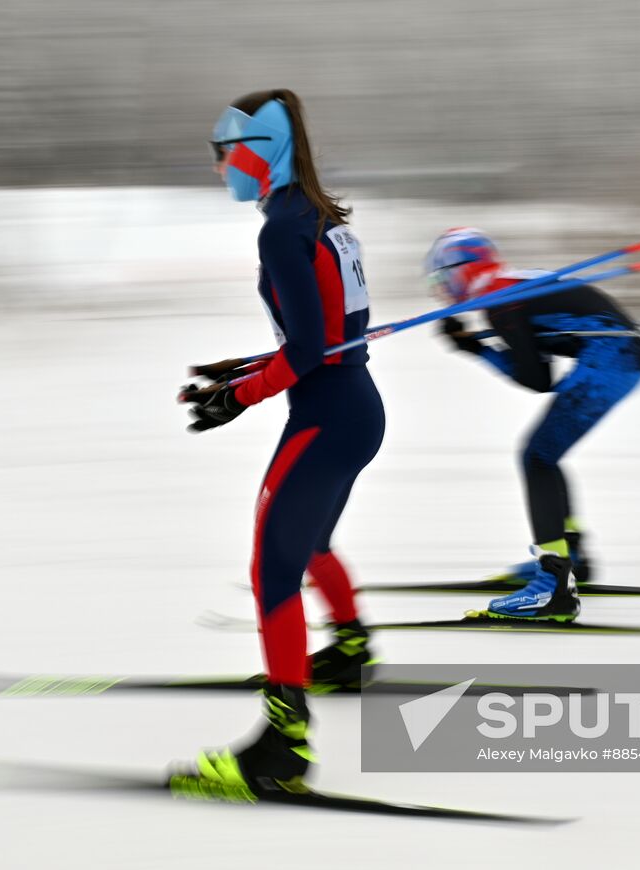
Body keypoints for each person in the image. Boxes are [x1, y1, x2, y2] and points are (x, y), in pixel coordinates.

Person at [170, 89, 384, 801]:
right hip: (355, 411)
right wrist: (240, 370)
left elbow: (309, 348)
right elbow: (326, 336)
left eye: (223, 149)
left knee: (273, 572)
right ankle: (352, 650)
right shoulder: (315, 217)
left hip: (325, 416)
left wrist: (238, 398)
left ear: (262, 151)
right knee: (310, 540)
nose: (218, 165)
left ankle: (282, 750)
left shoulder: (280, 228)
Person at [426, 227, 640, 622]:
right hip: (617, 353)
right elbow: (542, 366)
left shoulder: (503, 301)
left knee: (537, 457)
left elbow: (535, 380)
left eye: (443, 278)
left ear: (463, 270)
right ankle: (571, 558)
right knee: (544, 456)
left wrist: (475, 348)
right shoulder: (509, 286)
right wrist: (480, 344)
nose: (443, 288)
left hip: (611, 358)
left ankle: (553, 583)